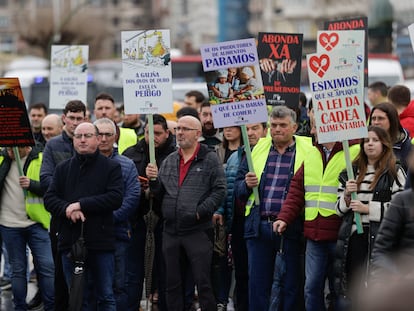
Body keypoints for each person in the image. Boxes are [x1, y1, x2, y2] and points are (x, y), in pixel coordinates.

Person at [273, 115, 360, 311]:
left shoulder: (354, 153)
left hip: (341, 234)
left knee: (340, 291)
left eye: (315, 127)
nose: (311, 132)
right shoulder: (311, 153)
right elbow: (296, 191)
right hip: (315, 235)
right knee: (311, 288)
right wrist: (284, 218)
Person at [234, 106, 313, 311]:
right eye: (273, 125)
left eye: (283, 125)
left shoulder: (308, 150)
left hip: (291, 228)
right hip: (259, 227)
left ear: (294, 127)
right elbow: (237, 189)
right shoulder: (257, 149)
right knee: (258, 285)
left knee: (291, 285)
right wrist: (246, 184)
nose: (277, 129)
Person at [145, 115, 226, 311]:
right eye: (178, 129)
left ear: (197, 134)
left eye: (185, 129)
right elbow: (159, 192)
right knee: (172, 284)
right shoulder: (171, 159)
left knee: (203, 282)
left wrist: (200, 212)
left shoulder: (210, 158)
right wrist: (154, 182)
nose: (179, 132)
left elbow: (220, 190)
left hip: (197, 230)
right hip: (171, 230)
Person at [44, 122, 123, 310]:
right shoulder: (63, 168)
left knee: (105, 295)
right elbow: (50, 198)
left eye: (87, 136)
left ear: (97, 139)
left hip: (101, 242)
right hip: (70, 242)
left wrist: (81, 205)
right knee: (78, 296)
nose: (82, 140)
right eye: (78, 136)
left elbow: (115, 198)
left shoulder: (111, 167)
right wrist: (67, 209)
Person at [334, 126, 406, 310]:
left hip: (380, 239)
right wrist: (347, 197)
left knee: (375, 290)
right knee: (353, 289)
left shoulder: (394, 172)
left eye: (375, 140)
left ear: (384, 144)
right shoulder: (350, 172)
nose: (370, 144)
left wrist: (369, 209)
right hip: (353, 240)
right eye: (366, 141)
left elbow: (402, 209)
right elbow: (338, 209)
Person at [122, 114, 176, 311]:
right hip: (136, 219)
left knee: (164, 271)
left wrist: (155, 184)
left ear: (167, 133)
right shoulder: (131, 153)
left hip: (165, 221)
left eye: (158, 134)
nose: (152, 138)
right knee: (133, 272)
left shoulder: (175, 155)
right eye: (147, 133)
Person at [40, 99, 86, 310]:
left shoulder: (88, 141)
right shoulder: (53, 145)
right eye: (72, 118)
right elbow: (46, 178)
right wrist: (67, 201)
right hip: (60, 218)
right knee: (60, 272)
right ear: (64, 118)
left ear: (85, 118)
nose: (76, 123)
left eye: (80, 118)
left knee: (85, 273)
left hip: (85, 217)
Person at [0, 145, 55, 311]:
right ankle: (20, 307)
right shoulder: (3, 159)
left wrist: (32, 185)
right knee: (17, 269)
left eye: (15, 148)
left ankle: (51, 306)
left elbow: (52, 187)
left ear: (26, 145)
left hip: (37, 222)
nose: (11, 151)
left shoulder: (41, 158)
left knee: (47, 267)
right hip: (9, 223)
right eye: (8, 148)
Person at [94, 118, 140, 310]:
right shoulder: (83, 162)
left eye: (108, 134)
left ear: (115, 137)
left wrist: (109, 218)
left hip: (118, 232)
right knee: (92, 284)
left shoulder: (126, 165)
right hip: (90, 233)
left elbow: (133, 197)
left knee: (118, 285)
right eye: (100, 134)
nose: (103, 139)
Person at [223, 122, 268, 311]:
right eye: (247, 129)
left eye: (255, 128)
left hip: (261, 221)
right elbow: (230, 187)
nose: (250, 132)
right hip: (239, 221)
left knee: (260, 274)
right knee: (241, 273)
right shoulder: (237, 156)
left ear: (265, 130)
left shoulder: (271, 153)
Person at [369, 102, 411, 172]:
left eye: (380, 118)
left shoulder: (407, 148)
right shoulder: (366, 145)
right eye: (373, 118)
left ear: (392, 121)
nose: (376, 122)